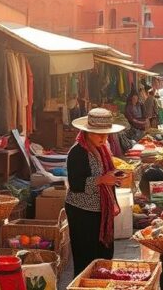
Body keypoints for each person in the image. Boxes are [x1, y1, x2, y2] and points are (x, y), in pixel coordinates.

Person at [66, 108, 126, 277]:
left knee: (104, 256)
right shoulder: (77, 153)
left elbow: (106, 175)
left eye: (106, 134)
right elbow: (76, 184)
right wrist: (101, 180)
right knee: (85, 259)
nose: (103, 138)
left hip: (101, 212)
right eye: (98, 134)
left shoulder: (103, 150)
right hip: (81, 212)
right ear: (87, 132)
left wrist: (114, 178)